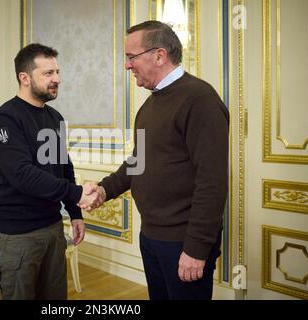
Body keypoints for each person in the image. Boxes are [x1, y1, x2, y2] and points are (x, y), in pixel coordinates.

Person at [83, 21, 229, 300]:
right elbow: (137, 162)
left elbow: (212, 182)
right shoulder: (149, 106)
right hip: (151, 237)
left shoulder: (200, 99)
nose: (127, 66)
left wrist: (196, 249)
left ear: (159, 55)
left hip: (183, 243)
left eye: (131, 57)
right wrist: (104, 189)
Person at [0, 43, 98, 300]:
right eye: (48, 73)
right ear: (24, 78)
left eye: (57, 72)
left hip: (53, 227)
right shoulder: (5, 119)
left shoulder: (55, 118)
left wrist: (75, 212)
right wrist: (78, 193)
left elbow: (63, 168)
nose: (57, 79)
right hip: (17, 235)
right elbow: (23, 175)